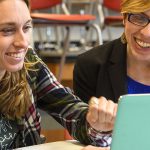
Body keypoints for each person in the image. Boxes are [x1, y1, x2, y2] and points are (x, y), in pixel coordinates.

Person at [0, 0, 118, 149]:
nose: (23, 42)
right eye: (7, 30)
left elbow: (70, 109)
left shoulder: (29, 63)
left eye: (27, 27)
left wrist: (97, 125)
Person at [73, 0, 150, 148]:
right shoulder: (90, 66)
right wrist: (97, 129)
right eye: (139, 17)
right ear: (123, 17)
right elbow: (83, 135)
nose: (147, 33)